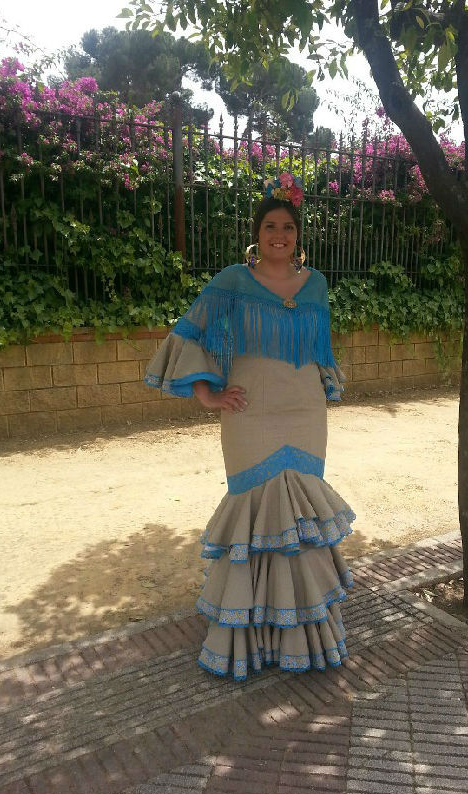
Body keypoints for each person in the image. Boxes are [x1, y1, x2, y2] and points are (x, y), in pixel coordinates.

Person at [144, 174, 355, 681]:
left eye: (287, 227)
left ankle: (302, 639)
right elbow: (190, 332)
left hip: (305, 412)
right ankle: (246, 641)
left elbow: (319, 351)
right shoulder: (232, 281)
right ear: (256, 233)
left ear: (298, 235)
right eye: (269, 226)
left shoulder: (318, 284)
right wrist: (206, 394)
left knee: (300, 522)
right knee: (255, 517)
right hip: (249, 413)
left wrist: (323, 390)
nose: (279, 235)